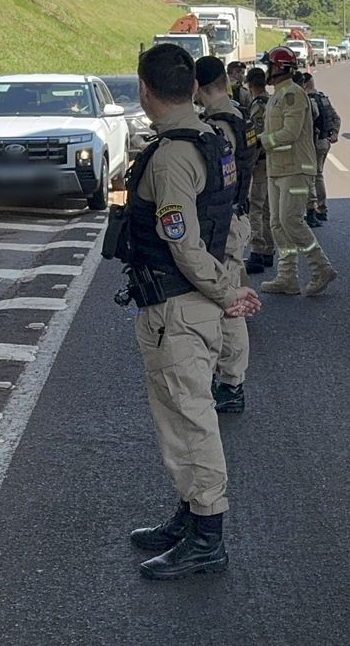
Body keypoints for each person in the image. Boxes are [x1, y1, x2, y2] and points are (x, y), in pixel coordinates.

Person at [113, 43, 261, 580]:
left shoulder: (173, 156)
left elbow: (184, 242)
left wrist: (226, 293)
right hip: (194, 304)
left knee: (190, 421)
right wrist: (226, 290)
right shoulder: (212, 136)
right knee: (181, 420)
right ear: (193, 88)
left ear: (144, 90)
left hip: (178, 307)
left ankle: (207, 537)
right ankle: (189, 513)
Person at [194, 56, 255, 414]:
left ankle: (231, 384)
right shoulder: (237, 113)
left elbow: (215, 182)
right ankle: (227, 378)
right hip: (237, 217)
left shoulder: (219, 127)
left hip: (226, 224)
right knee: (226, 299)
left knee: (228, 304)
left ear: (197, 87)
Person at [260, 47, 336, 296]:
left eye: (269, 66)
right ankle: (287, 276)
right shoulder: (278, 96)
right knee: (277, 224)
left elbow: (290, 134)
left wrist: (261, 141)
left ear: (280, 68)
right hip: (277, 169)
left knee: (291, 221)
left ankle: (321, 267)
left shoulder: (293, 95)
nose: (266, 71)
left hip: (295, 168)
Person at [243, 66, 274, 274]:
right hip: (272, 160)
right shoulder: (273, 101)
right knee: (267, 209)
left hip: (261, 160)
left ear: (250, 84)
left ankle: (257, 250)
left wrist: (249, 162)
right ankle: (268, 250)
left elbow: (256, 137)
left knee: (256, 206)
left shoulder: (258, 105)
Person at [299, 73, 340, 224]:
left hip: (313, 143)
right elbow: (336, 118)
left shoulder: (308, 102)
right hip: (325, 141)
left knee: (311, 176)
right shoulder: (323, 99)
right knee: (318, 175)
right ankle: (321, 208)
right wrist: (334, 134)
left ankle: (313, 208)